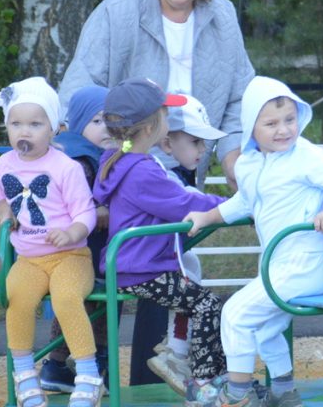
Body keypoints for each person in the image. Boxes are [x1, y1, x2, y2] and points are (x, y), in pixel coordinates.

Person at [59, 0, 255, 384]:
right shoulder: (120, 9)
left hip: (181, 164)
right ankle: (78, 369)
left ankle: (150, 383)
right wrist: (110, 152)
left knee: (163, 273)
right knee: (102, 264)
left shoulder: (223, 16)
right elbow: (78, 90)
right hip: (124, 161)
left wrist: (233, 158)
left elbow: (240, 98)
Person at [185, 76, 323, 407]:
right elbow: (243, 203)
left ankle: (237, 394)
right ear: (251, 127)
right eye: (271, 124)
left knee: (235, 312)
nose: (283, 130)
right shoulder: (248, 163)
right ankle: (284, 391)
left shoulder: (306, 155)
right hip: (276, 266)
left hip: (304, 265)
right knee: (265, 328)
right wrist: (205, 217)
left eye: (289, 120)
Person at [92, 77, 228, 407]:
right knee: (207, 304)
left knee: (194, 292)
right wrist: (234, 206)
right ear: (152, 126)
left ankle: (188, 361)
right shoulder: (143, 171)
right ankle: (203, 385)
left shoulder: (118, 159)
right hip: (142, 269)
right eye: (166, 115)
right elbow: (184, 203)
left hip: (131, 265)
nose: (169, 121)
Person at [0, 77, 104, 407]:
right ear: (7, 127)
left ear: (54, 129)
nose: (24, 132)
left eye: (35, 124)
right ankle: (25, 373)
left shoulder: (65, 167)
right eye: (16, 124)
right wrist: (4, 213)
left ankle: (88, 375)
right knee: (17, 298)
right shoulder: (4, 164)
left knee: (67, 298)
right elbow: (1, 199)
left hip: (70, 255)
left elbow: (86, 213)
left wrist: (71, 233)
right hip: (30, 258)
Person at [147, 94, 228, 395]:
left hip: (153, 256)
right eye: (196, 141)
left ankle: (177, 348)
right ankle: (185, 361)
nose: (203, 149)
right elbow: (189, 201)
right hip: (143, 261)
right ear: (168, 143)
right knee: (201, 296)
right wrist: (234, 206)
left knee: (190, 267)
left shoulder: (169, 173)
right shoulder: (162, 175)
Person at [39, 85, 115, 393]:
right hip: (79, 252)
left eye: (111, 120)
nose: (106, 128)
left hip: (65, 254)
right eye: (97, 121)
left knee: (77, 302)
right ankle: (96, 367)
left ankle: (56, 365)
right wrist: (99, 209)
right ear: (79, 122)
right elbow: (68, 205)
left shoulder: (74, 152)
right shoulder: (81, 161)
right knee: (105, 300)